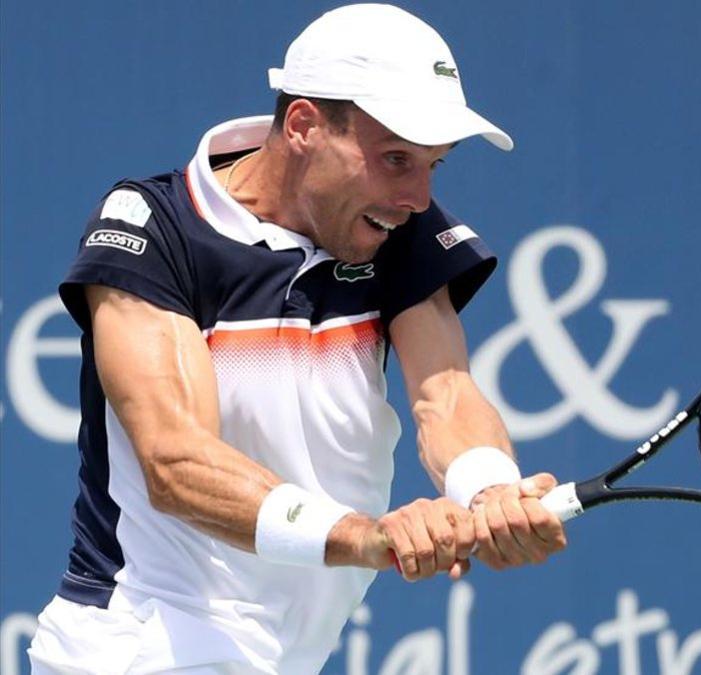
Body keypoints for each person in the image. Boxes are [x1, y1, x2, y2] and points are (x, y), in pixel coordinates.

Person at [27, 4, 566, 673]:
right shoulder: (155, 229)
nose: (419, 196)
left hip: (280, 652)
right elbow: (176, 461)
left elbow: (446, 393)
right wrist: (363, 535)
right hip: (145, 638)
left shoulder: (393, 225)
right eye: (396, 158)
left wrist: (490, 490)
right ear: (304, 125)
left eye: (435, 164)